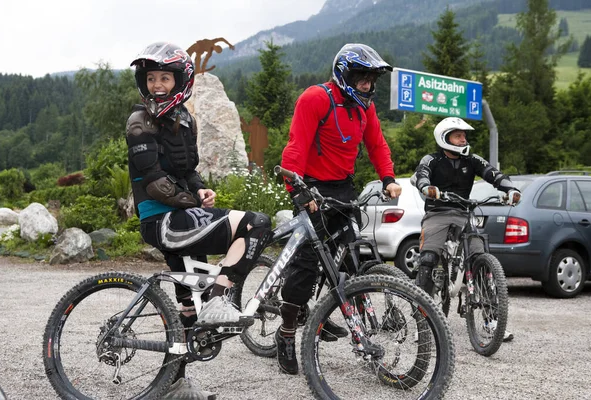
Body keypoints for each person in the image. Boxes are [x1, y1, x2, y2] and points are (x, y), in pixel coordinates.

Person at [127, 42, 272, 399]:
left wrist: (202, 190)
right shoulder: (139, 121)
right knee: (257, 224)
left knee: (187, 311)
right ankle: (221, 296)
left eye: (164, 77)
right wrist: (193, 201)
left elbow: (186, 171)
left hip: (183, 215)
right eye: (151, 78)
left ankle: (173, 386)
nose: (157, 85)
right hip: (162, 221)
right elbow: (155, 183)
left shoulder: (185, 119)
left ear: (180, 82)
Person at [277, 43, 402, 375]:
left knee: (349, 259)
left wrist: (388, 177)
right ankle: (287, 332)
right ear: (345, 74)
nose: (367, 84)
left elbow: (376, 144)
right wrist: (298, 192)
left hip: (343, 191)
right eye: (361, 76)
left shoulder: (365, 108)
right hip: (311, 188)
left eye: (371, 78)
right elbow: (296, 146)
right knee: (305, 266)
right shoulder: (316, 98)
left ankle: (329, 314)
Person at [410, 116, 521, 342]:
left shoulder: (472, 160)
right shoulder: (431, 159)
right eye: (458, 136)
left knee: (481, 259)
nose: (463, 139)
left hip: (463, 214)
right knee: (428, 258)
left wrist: (510, 189)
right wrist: (427, 188)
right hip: (437, 214)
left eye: (464, 135)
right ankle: (421, 322)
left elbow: (493, 174)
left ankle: (491, 321)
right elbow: (421, 177)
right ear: (445, 138)